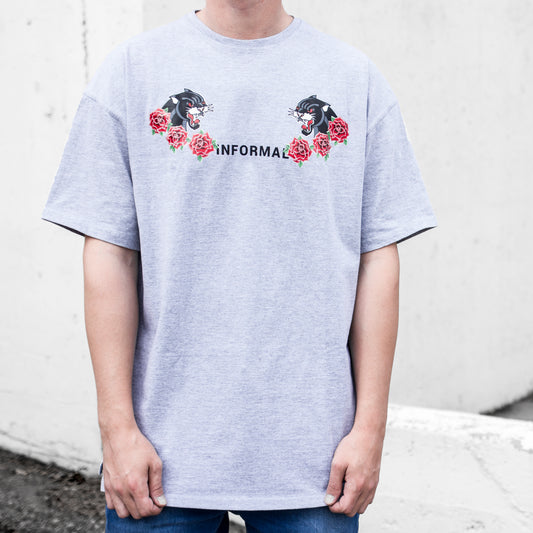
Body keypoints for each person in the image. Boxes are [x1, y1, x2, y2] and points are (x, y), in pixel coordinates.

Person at [41, 1, 437, 531]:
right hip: (158, 454)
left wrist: (370, 430)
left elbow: (377, 260)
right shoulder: (133, 71)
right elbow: (110, 254)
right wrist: (117, 431)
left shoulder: (353, 78)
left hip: (315, 458)